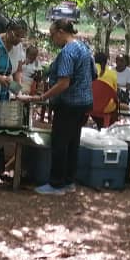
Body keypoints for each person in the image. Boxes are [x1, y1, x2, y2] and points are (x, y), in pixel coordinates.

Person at [31, 19, 94, 195]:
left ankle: (56, 184)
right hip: (84, 103)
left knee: (59, 143)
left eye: (52, 35)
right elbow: (93, 74)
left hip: (69, 104)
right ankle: (68, 181)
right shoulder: (84, 47)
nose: (52, 39)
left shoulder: (67, 52)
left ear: (60, 32)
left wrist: (44, 96)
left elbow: (64, 82)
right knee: (72, 142)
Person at [93, 51, 118, 119]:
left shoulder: (87, 71)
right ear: (106, 61)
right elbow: (115, 92)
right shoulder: (112, 73)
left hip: (89, 106)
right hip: (107, 108)